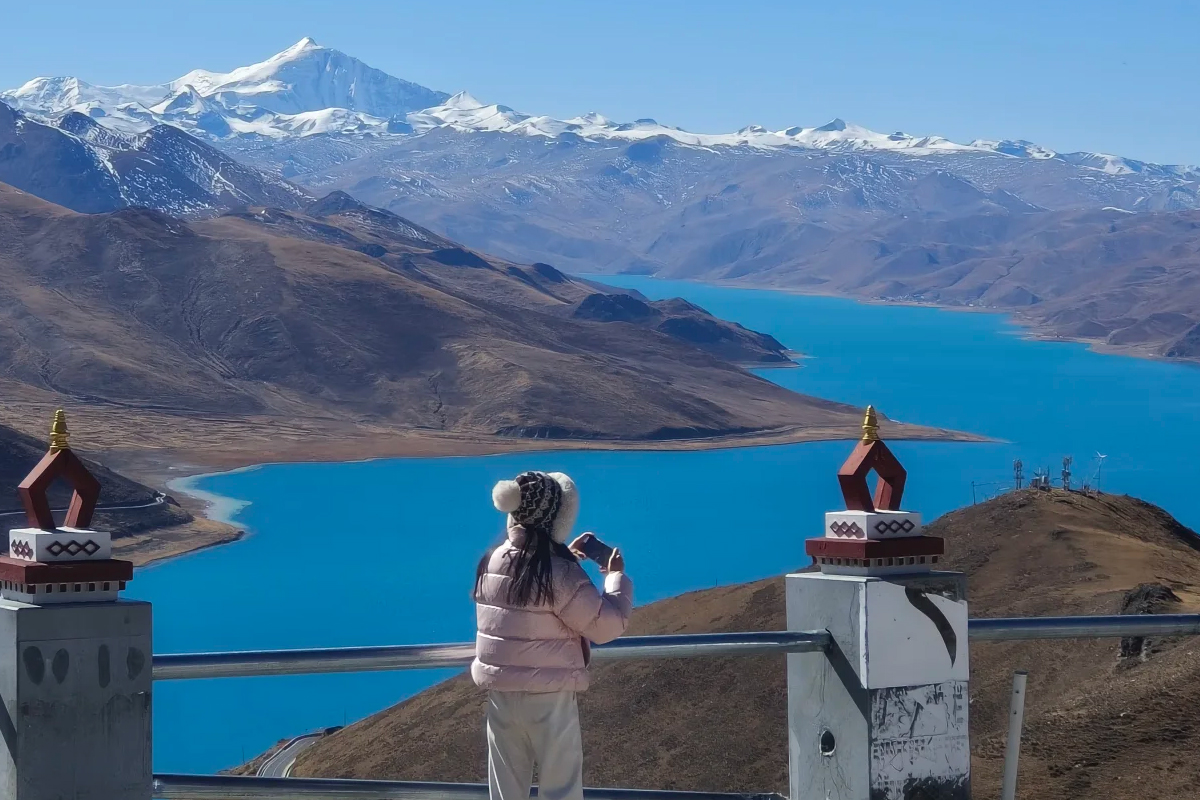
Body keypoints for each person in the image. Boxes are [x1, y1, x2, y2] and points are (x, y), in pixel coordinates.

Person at [472, 470, 634, 800]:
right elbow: (606, 626)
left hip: (501, 698)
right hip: (550, 701)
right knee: (561, 792)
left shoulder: (492, 561)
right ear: (554, 518)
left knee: (505, 793)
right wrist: (615, 579)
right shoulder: (559, 574)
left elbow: (524, 600)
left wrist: (562, 555)